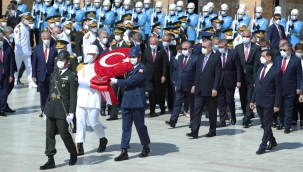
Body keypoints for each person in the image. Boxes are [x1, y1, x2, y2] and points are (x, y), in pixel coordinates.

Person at [110, 46, 151, 161]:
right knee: (125, 127)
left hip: (137, 101)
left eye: (134, 57)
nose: (132, 59)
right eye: (131, 57)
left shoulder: (142, 69)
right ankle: (124, 150)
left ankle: (145, 146)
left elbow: (131, 81)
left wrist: (116, 81)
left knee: (140, 126)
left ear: (139, 57)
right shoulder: (129, 68)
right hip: (127, 101)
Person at [40, 50, 77, 170]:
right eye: (58, 60)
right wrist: (45, 109)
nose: (60, 62)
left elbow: (73, 96)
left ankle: (73, 152)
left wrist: (71, 112)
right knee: (49, 134)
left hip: (63, 109)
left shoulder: (72, 76)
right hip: (51, 108)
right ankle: (50, 159)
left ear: (68, 62)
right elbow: (51, 93)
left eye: (62, 60)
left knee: (64, 133)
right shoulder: (54, 74)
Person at [75, 45, 108, 156]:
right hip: (82, 97)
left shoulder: (100, 67)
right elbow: (79, 79)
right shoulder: (81, 67)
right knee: (80, 122)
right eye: (89, 54)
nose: (90, 56)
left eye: (92, 54)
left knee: (94, 122)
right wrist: (89, 81)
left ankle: (102, 138)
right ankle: (79, 145)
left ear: (97, 55)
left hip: (93, 98)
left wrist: (89, 81)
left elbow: (99, 80)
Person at [186, 40, 221, 138]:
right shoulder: (200, 57)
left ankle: (212, 130)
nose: (203, 49)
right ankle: (194, 130)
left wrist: (215, 88)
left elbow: (218, 74)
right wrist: (194, 85)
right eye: (202, 47)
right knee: (197, 110)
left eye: (205, 47)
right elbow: (197, 72)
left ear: (210, 48)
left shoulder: (216, 58)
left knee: (211, 111)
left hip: (210, 90)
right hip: (199, 89)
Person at [250, 49, 282, 154]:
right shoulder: (260, 69)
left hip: (269, 101)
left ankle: (263, 145)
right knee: (265, 123)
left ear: (269, 57)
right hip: (259, 100)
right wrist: (252, 99)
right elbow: (257, 86)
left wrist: (277, 104)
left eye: (263, 56)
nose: (261, 58)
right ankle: (272, 141)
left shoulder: (276, 71)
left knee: (267, 124)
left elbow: (278, 89)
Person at [165, 41, 197, 128]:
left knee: (192, 105)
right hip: (180, 85)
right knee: (177, 103)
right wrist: (176, 83)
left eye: (185, 49)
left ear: (190, 49)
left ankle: (193, 122)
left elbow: (197, 73)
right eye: (182, 49)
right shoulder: (180, 58)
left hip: (190, 86)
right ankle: (173, 120)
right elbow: (178, 72)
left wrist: (194, 85)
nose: (183, 50)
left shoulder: (195, 58)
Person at [234, 30, 261, 128]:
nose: (245, 38)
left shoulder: (256, 48)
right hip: (241, 77)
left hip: (251, 77)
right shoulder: (237, 47)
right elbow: (236, 63)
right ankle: (247, 112)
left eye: (247, 36)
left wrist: (256, 79)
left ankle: (247, 118)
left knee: (250, 97)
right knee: (243, 97)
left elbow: (257, 64)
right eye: (244, 36)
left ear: (251, 37)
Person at [273, 42, 302, 134]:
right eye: (281, 50)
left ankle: (287, 125)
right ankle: (281, 122)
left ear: (290, 51)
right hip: (278, 88)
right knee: (280, 106)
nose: (282, 51)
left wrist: (298, 88)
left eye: (284, 50)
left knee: (289, 107)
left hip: (290, 87)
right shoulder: (277, 59)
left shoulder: (296, 60)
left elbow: (299, 76)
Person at [32, 32, 57, 117]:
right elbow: (34, 62)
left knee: (52, 93)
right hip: (41, 75)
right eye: (44, 39)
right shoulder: (37, 48)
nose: (46, 40)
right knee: (43, 93)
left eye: (48, 38)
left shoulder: (54, 47)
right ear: (42, 39)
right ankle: (43, 110)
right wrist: (34, 75)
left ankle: (51, 110)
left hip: (51, 74)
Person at [217, 39, 241, 127]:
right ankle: (222, 120)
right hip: (219, 81)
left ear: (226, 46)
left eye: (222, 47)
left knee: (229, 100)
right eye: (219, 47)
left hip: (230, 80)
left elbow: (238, 68)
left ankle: (233, 117)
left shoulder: (233, 54)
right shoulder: (217, 54)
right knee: (221, 101)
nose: (220, 49)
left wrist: (238, 81)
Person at [142, 37, 167, 117]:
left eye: (154, 44)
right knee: (151, 93)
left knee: (158, 93)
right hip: (148, 76)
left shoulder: (162, 51)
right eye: (151, 44)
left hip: (158, 76)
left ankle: (162, 107)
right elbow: (144, 63)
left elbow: (164, 64)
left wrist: (163, 75)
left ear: (157, 43)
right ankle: (152, 111)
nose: (152, 45)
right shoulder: (146, 50)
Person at [14, 12, 37, 88]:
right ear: (22, 19)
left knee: (29, 67)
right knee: (17, 67)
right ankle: (15, 81)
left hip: (27, 51)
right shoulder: (18, 28)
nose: (27, 20)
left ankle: (31, 82)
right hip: (19, 52)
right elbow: (17, 41)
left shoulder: (27, 27)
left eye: (28, 19)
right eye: (26, 19)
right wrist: (19, 51)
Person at [92, 28, 109, 116]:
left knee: (105, 90)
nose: (106, 39)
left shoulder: (108, 45)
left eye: (106, 37)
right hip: (98, 70)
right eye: (104, 37)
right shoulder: (95, 45)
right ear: (99, 37)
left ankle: (103, 107)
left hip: (106, 70)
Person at [160, 34, 177, 112]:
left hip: (171, 72)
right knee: (162, 90)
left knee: (171, 89)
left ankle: (171, 106)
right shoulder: (159, 48)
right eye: (164, 40)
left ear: (170, 41)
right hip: (162, 72)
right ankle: (162, 107)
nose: (166, 42)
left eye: (167, 41)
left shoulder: (173, 48)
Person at [0, 33, 15, 117]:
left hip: (5, 74)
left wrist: (11, 75)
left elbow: (11, 63)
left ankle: (1, 110)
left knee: (4, 92)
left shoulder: (7, 49)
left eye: (1, 40)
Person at [293, 43, 303, 126]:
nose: (299, 53)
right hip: (294, 83)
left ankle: (302, 118)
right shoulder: (292, 59)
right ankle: (294, 118)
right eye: (298, 52)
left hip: (302, 82)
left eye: (301, 52)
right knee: (294, 102)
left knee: (301, 102)